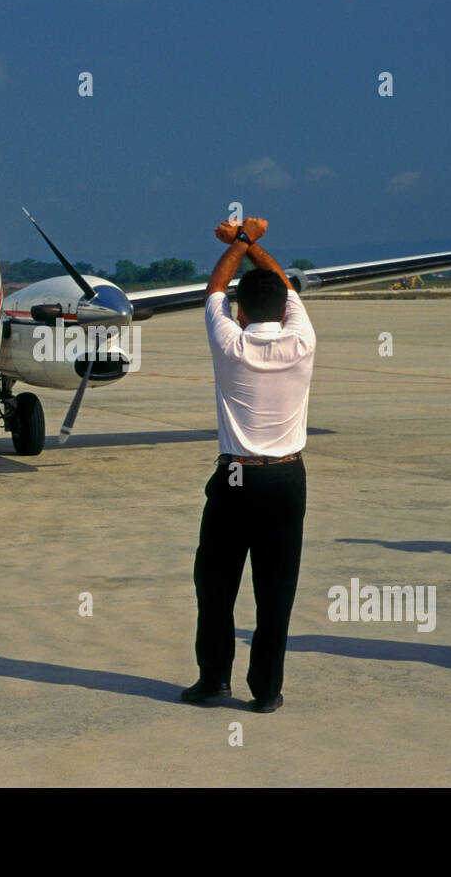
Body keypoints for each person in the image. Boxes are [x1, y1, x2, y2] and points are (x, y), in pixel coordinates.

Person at [181, 216, 316, 713]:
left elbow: (214, 287)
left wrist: (237, 243)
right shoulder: (302, 340)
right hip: (286, 475)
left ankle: (214, 680)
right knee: (276, 589)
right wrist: (254, 242)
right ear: (285, 308)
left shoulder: (230, 343)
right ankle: (266, 691)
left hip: (237, 476)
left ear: (239, 311)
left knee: (215, 584)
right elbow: (280, 286)